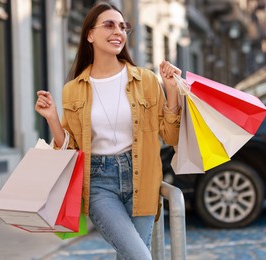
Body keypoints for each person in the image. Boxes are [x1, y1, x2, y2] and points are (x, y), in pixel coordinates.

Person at [35, 2, 181, 259]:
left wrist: (170, 91)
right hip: (99, 183)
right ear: (90, 35)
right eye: (109, 25)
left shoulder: (145, 80)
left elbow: (170, 136)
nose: (118, 32)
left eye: (123, 27)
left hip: (142, 178)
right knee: (140, 256)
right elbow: (70, 150)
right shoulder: (74, 89)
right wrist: (52, 119)